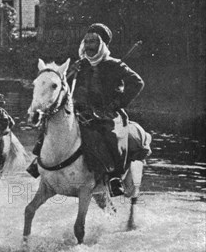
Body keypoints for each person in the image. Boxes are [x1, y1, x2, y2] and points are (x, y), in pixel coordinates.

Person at [27, 23, 144, 197]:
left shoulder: (115, 65)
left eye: (93, 42)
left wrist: (116, 103)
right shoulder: (80, 64)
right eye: (87, 41)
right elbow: (61, 84)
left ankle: (113, 176)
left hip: (108, 113)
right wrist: (67, 76)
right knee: (50, 125)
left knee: (110, 136)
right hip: (81, 110)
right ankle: (39, 161)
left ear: (102, 45)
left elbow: (138, 83)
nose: (89, 46)